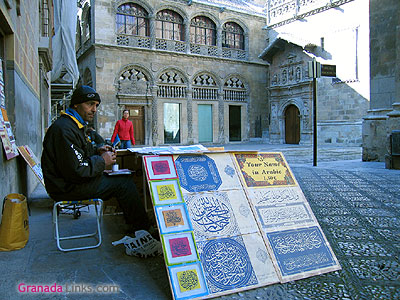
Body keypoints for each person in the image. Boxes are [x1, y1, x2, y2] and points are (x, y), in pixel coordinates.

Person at [41, 85, 152, 237]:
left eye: (96, 105)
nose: (94, 109)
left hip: (70, 182)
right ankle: (142, 230)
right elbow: (77, 170)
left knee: (120, 177)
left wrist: (97, 151)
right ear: (76, 104)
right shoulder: (64, 129)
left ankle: (135, 223)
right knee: (123, 183)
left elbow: (78, 155)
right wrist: (102, 161)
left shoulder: (73, 125)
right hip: (65, 187)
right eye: (90, 104)